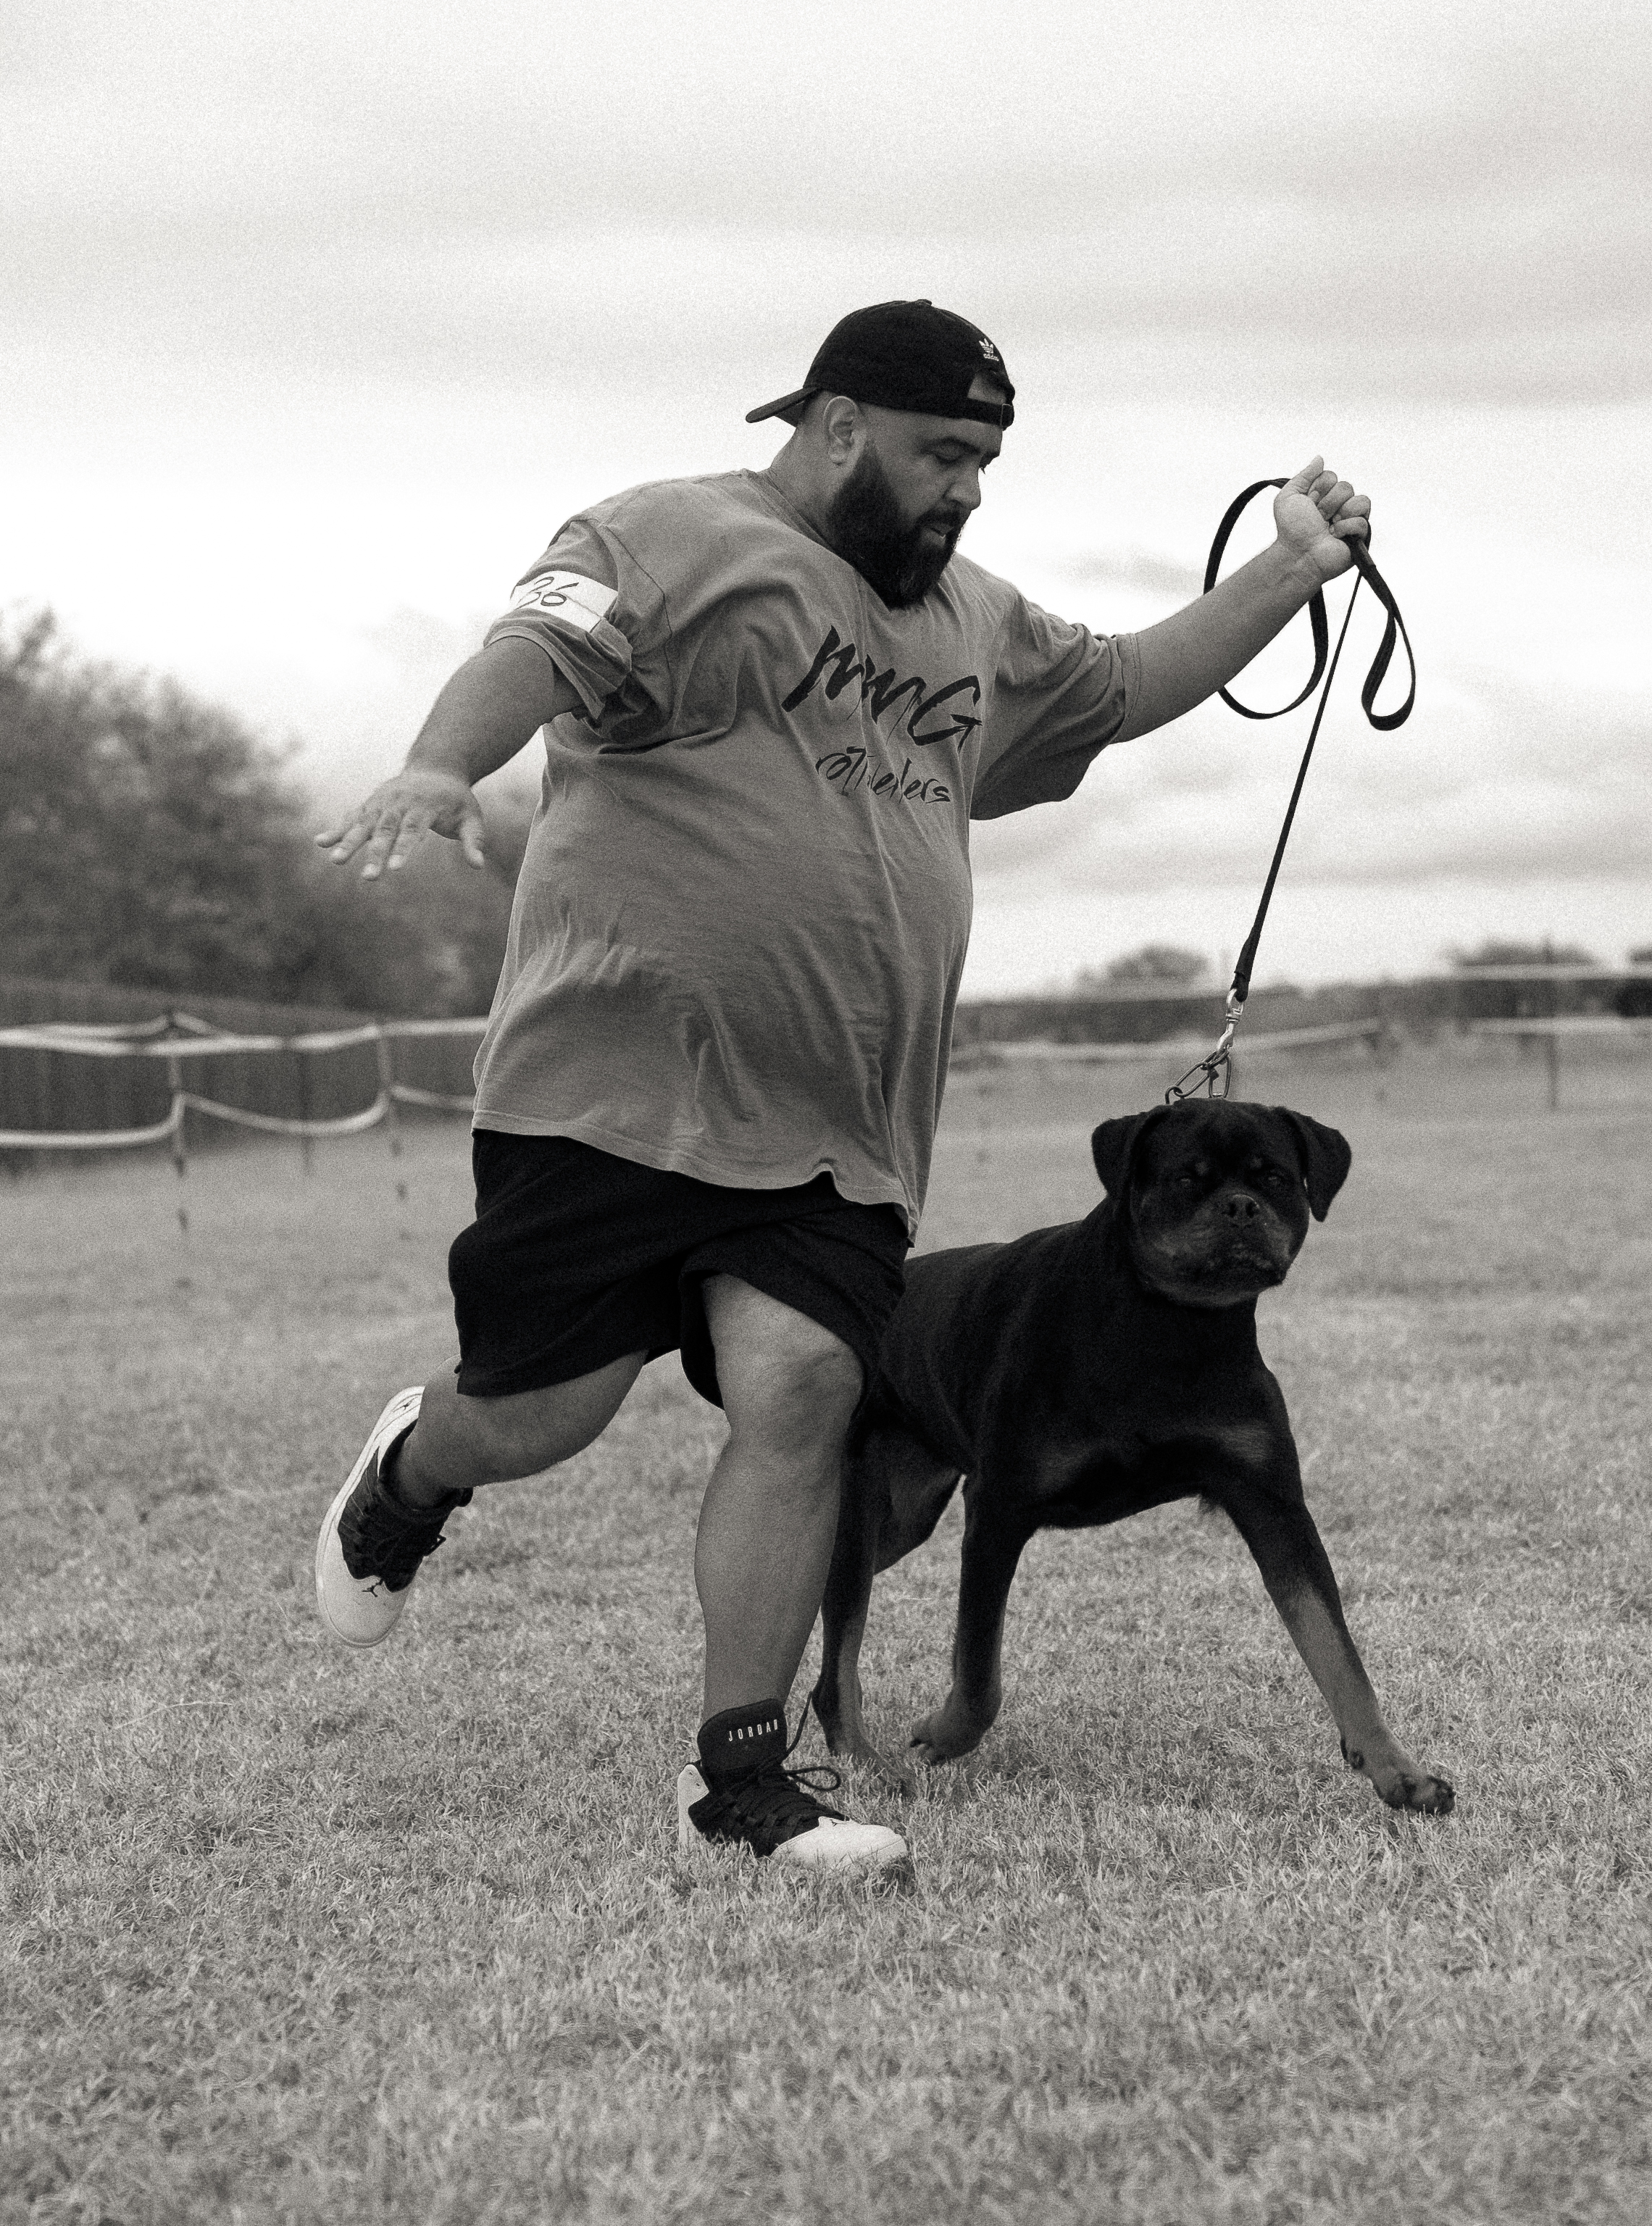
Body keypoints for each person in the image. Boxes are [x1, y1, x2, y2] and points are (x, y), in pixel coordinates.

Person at [308, 300, 1373, 1887]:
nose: (968, 489)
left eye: (989, 460)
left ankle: (742, 1781)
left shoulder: (974, 624)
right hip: (613, 1093)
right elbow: (529, 647)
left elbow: (1137, 680)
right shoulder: (668, 536)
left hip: (839, 1128)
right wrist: (438, 767)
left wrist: (1289, 571)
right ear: (833, 425)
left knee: (803, 1389)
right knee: (541, 1413)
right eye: (945, 452)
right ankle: (416, 1467)